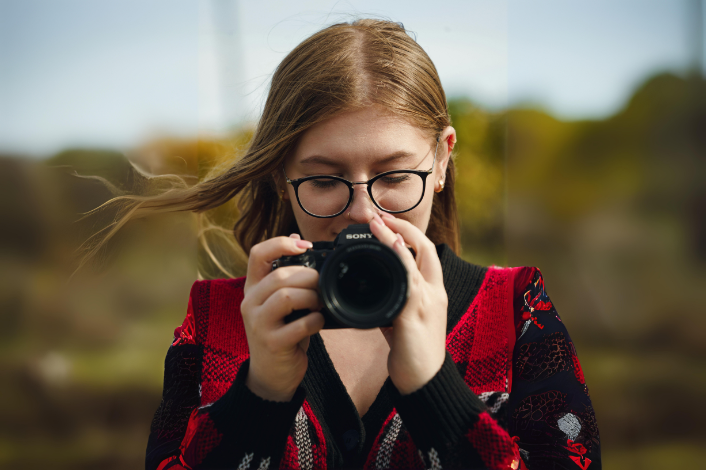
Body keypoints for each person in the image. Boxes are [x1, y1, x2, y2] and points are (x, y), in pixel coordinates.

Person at [140, 19, 600, 470]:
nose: (362, 211)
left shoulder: (517, 309)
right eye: (323, 179)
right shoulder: (215, 316)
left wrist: (432, 387)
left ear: (441, 160)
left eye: (395, 176)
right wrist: (259, 395)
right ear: (281, 176)